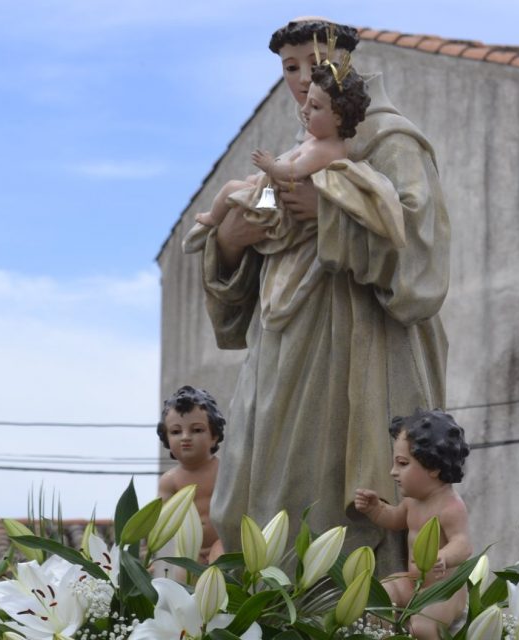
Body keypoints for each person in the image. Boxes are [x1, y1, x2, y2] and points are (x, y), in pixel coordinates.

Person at [191, 18, 450, 570]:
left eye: (314, 64)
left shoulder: (390, 140)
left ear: (347, 63)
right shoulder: (300, 150)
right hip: (280, 349)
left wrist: (330, 217)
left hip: (355, 349)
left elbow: (421, 257)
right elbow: (254, 251)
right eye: (290, 68)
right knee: (263, 491)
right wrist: (232, 244)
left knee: (333, 498)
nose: (303, 79)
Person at [194, 59, 388, 258]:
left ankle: (212, 218)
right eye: (291, 68)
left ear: (338, 117)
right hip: (274, 190)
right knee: (248, 184)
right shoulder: (319, 139)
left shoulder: (326, 150)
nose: (304, 110)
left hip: (276, 202)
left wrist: (269, 166)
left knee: (232, 188)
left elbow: (294, 173)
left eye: (314, 106)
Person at [354, 410, 471, 640]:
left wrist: (444, 557)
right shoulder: (412, 501)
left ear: (433, 467)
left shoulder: (451, 507)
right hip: (413, 581)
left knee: (423, 627)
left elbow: (463, 544)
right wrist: (375, 509)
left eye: (402, 464)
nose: (393, 472)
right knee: (378, 598)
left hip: (444, 591)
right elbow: (396, 520)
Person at [155, 385, 226, 563]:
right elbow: (158, 523)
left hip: (223, 545)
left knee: (222, 572)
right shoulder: (170, 481)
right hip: (188, 552)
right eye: (176, 431)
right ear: (166, 437)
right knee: (182, 580)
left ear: (214, 436)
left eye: (197, 430)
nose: (185, 437)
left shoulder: (224, 471)